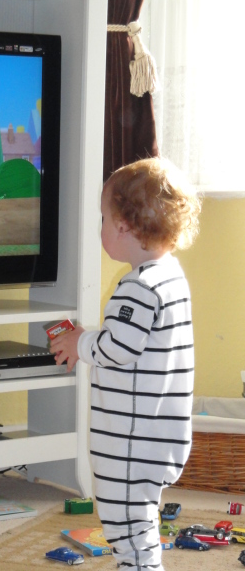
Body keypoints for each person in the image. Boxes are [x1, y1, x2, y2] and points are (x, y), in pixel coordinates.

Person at [50, 157, 201, 571]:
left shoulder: (139, 286)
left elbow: (117, 347)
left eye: (103, 218)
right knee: (139, 522)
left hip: (132, 441)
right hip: (156, 433)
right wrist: (91, 338)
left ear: (123, 227)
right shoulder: (169, 275)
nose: (101, 228)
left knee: (126, 527)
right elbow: (133, 340)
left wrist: (80, 342)